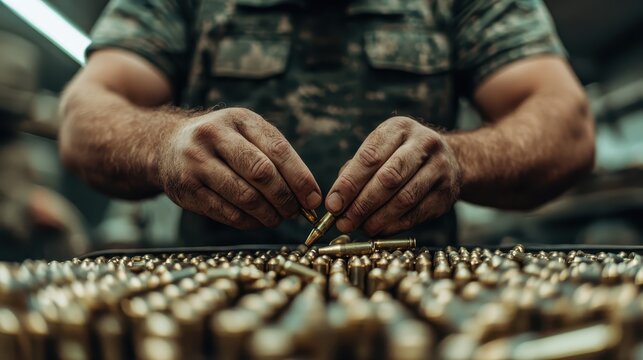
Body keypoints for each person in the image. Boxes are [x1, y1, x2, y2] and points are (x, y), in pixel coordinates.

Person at [59, 0, 595, 247]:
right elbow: (85, 113)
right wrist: (164, 143)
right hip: (217, 306)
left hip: (416, 311)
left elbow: (565, 123)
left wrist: (461, 159)